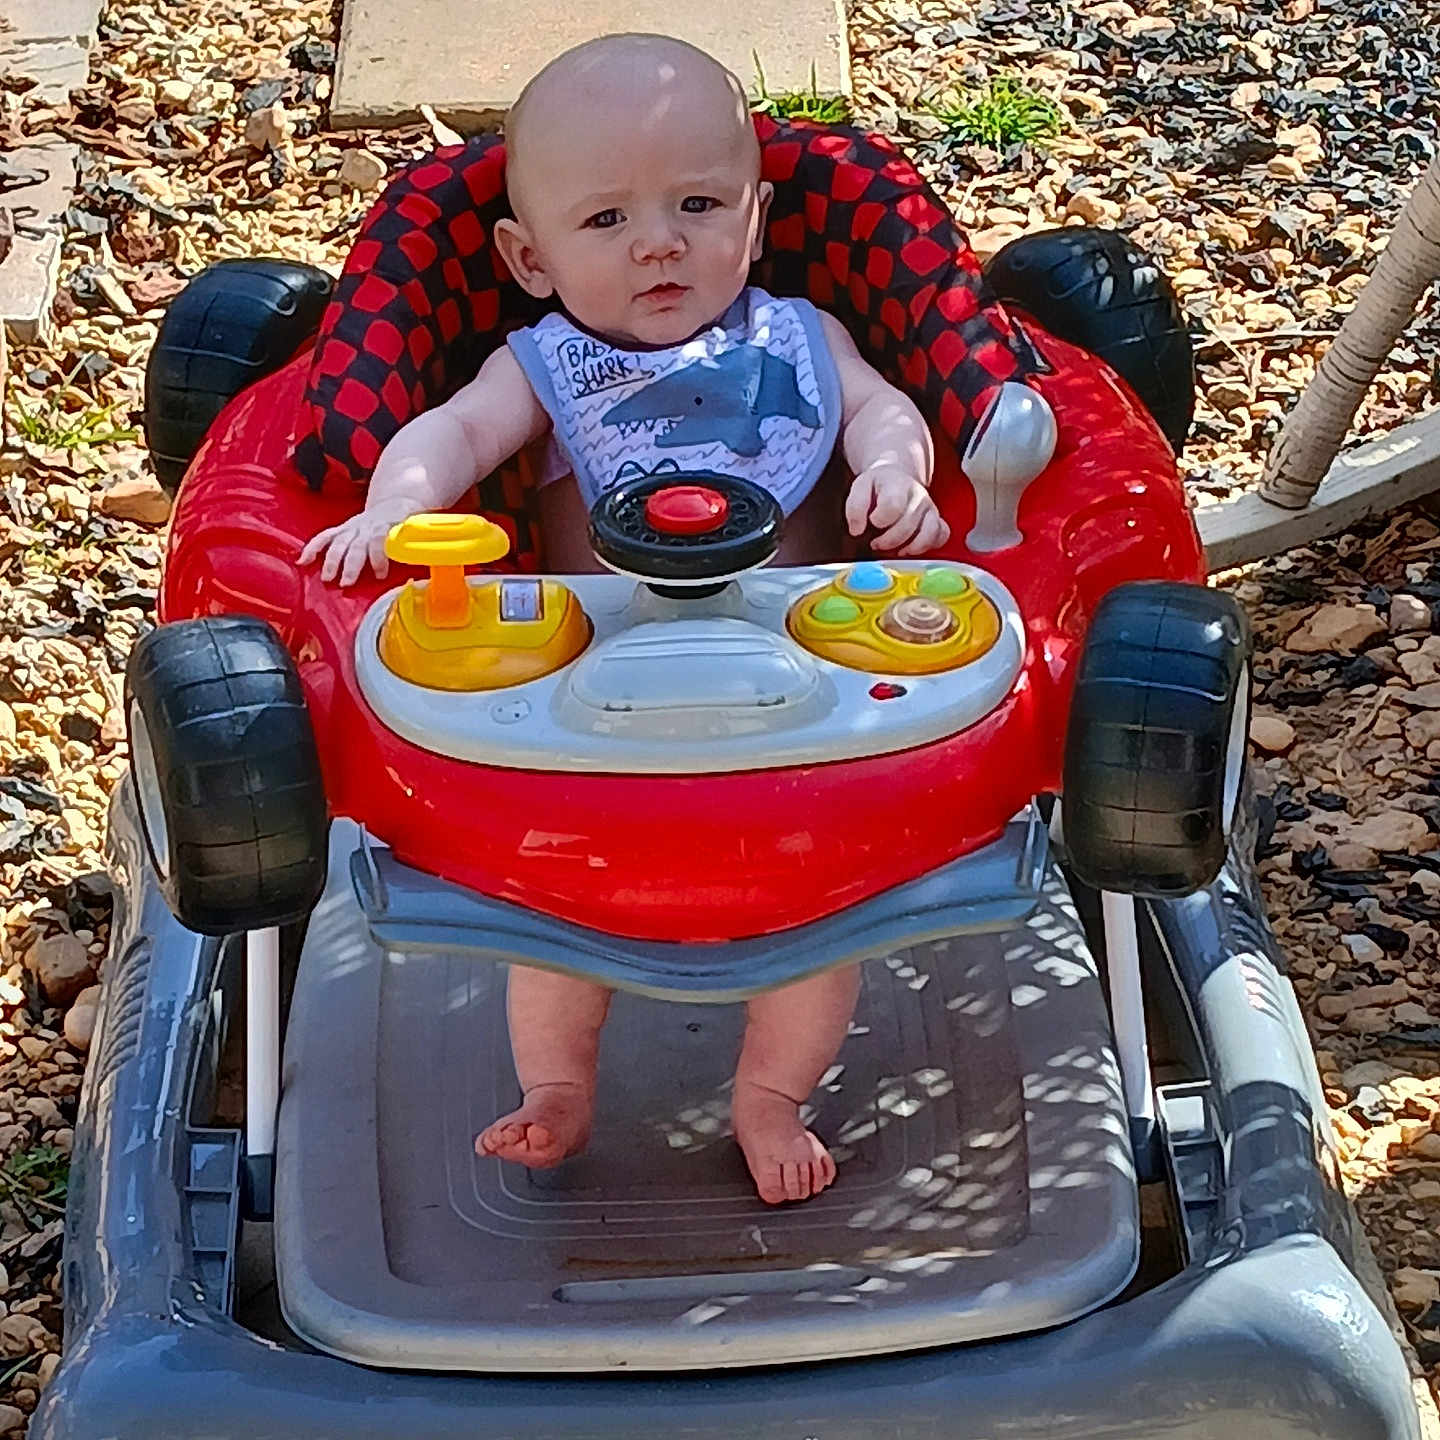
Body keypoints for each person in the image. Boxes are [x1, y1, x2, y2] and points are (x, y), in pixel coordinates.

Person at [300, 32, 950, 1204]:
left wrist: (896, 478)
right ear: (528, 257)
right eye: (605, 221)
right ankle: (556, 1090)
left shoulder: (800, 337)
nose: (659, 240)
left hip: (799, 694)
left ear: (754, 220)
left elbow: (882, 407)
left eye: (698, 203)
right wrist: (393, 508)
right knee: (554, 925)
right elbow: (451, 436)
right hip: (581, 712)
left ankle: (768, 1097)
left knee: (817, 924)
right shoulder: (543, 367)